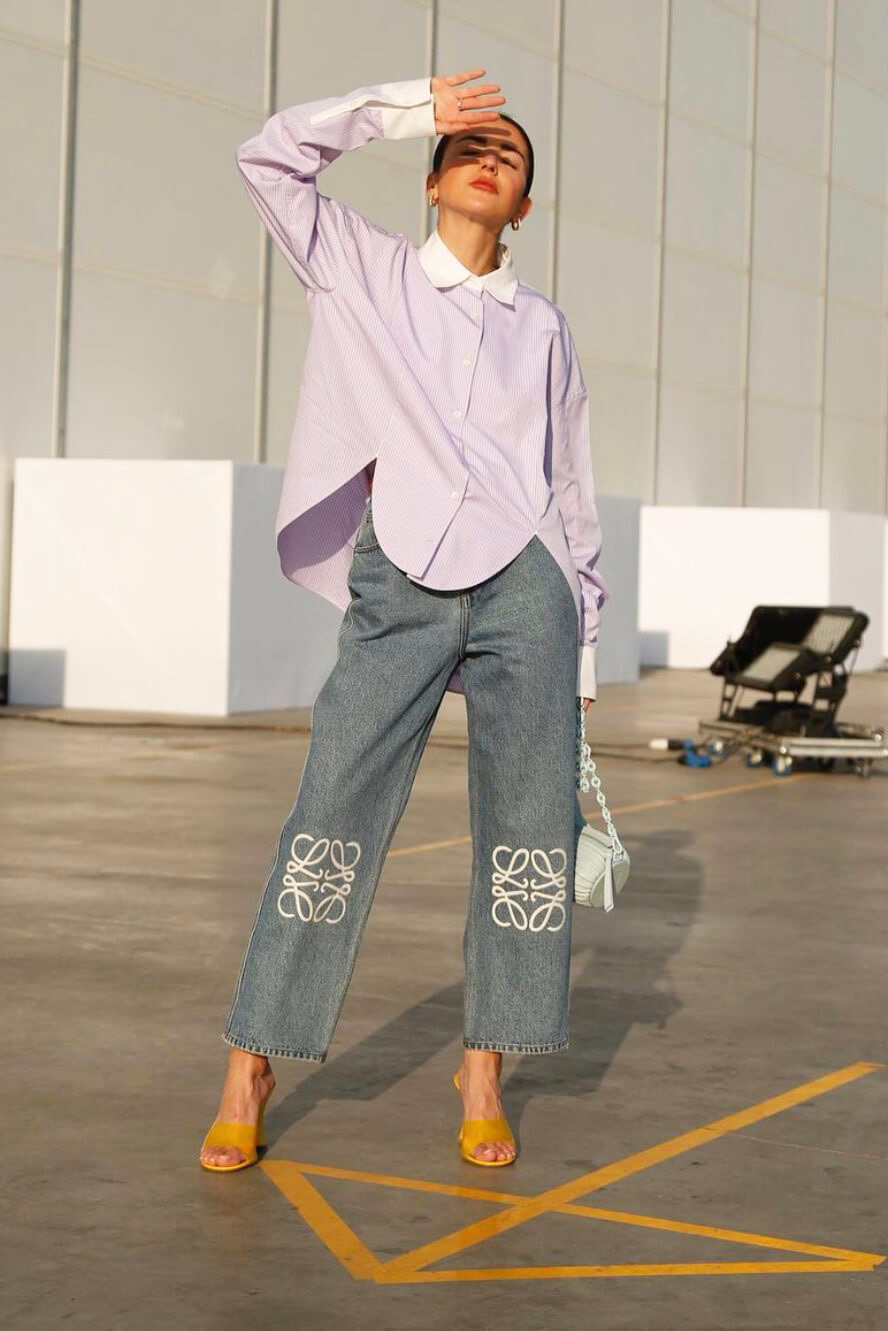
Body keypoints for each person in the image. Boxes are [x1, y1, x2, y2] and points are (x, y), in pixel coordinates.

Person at [200, 67, 608, 1173]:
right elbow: (268, 157)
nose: (489, 158)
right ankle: (252, 1059)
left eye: (510, 156)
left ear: (524, 205)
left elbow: (570, 486)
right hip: (405, 573)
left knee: (530, 837)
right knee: (330, 810)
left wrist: (583, 649)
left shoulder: (543, 327)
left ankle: (485, 1066)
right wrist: (410, 107)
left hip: (530, 587)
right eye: (470, 148)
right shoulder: (361, 268)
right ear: (433, 181)